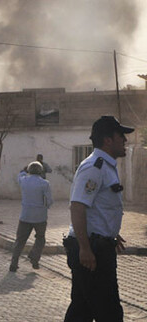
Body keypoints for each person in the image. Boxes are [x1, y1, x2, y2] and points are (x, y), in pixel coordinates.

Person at [63, 115, 133, 322]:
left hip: (98, 245)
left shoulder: (106, 166)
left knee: (82, 310)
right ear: (108, 140)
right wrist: (85, 248)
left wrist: (111, 232)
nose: (125, 141)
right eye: (121, 136)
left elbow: (99, 207)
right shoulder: (95, 167)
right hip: (92, 251)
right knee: (109, 312)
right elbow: (77, 207)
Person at [9, 161, 53, 272]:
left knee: (20, 240)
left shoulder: (24, 181)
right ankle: (34, 258)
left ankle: (14, 263)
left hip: (25, 215)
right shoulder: (45, 183)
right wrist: (45, 207)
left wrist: (24, 170)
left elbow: (20, 174)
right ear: (41, 171)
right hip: (40, 217)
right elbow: (49, 200)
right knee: (40, 239)